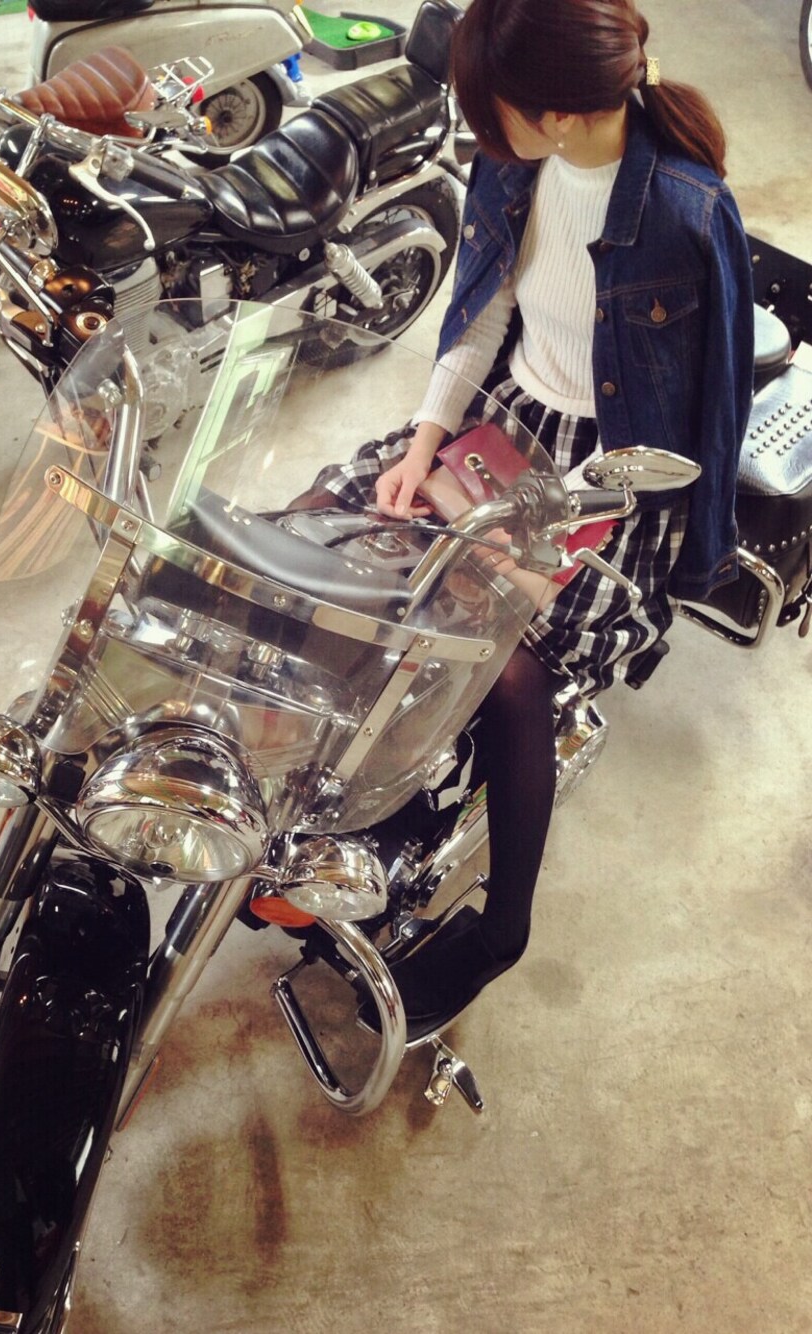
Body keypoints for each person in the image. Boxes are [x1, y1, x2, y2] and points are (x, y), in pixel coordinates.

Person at [298, 0, 755, 1032]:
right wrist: (423, 444)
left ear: (555, 113)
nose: (476, 131)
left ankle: (502, 927)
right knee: (332, 515)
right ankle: (334, 790)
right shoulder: (513, 166)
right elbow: (481, 311)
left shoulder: (685, 212)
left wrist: (570, 543)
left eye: (489, 108)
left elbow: (708, 416)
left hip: (619, 475)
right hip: (507, 420)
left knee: (504, 664)